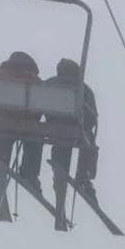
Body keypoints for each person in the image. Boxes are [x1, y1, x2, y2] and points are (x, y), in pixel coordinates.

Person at [43, 58, 99, 232]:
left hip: (54, 129)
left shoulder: (49, 84)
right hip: (76, 130)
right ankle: (84, 177)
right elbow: (92, 117)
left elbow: (38, 106)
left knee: (61, 144)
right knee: (87, 140)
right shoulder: (83, 88)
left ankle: (59, 177)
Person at [0, 51, 42, 221]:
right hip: (25, 125)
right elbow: (42, 104)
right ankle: (29, 173)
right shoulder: (31, 78)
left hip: (2, 123)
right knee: (34, 137)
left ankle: (0, 160)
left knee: (3, 132)